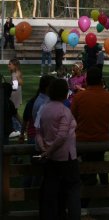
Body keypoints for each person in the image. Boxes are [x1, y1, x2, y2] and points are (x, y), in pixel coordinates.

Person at [35, 79, 81, 220]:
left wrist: (44, 149)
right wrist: (48, 151)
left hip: (51, 158)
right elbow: (61, 136)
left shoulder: (44, 108)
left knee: (51, 193)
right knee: (72, 192)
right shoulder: (64, 111)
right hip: (66, 157)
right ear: (65, 93)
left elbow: (38, 132)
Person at [71, 66, 109, 206]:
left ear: (87, 80)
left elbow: (73, 118)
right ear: (101, 80)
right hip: (102, 140)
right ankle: (102, 189)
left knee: (86, 170)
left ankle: (86, 197)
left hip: (82, 140)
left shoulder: (79, 97)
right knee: (98, 164)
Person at [8, 58, 23, 137]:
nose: (8, 66)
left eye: (10, 64)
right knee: (15, 114)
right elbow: (20, 83)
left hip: (14, 97)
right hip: (16, 96)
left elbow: (15, 86)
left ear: (15, 65)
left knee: (12, 114)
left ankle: (18, 129)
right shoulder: (17, 73)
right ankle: (23, 127)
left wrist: (8, 86)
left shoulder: (14, 74)